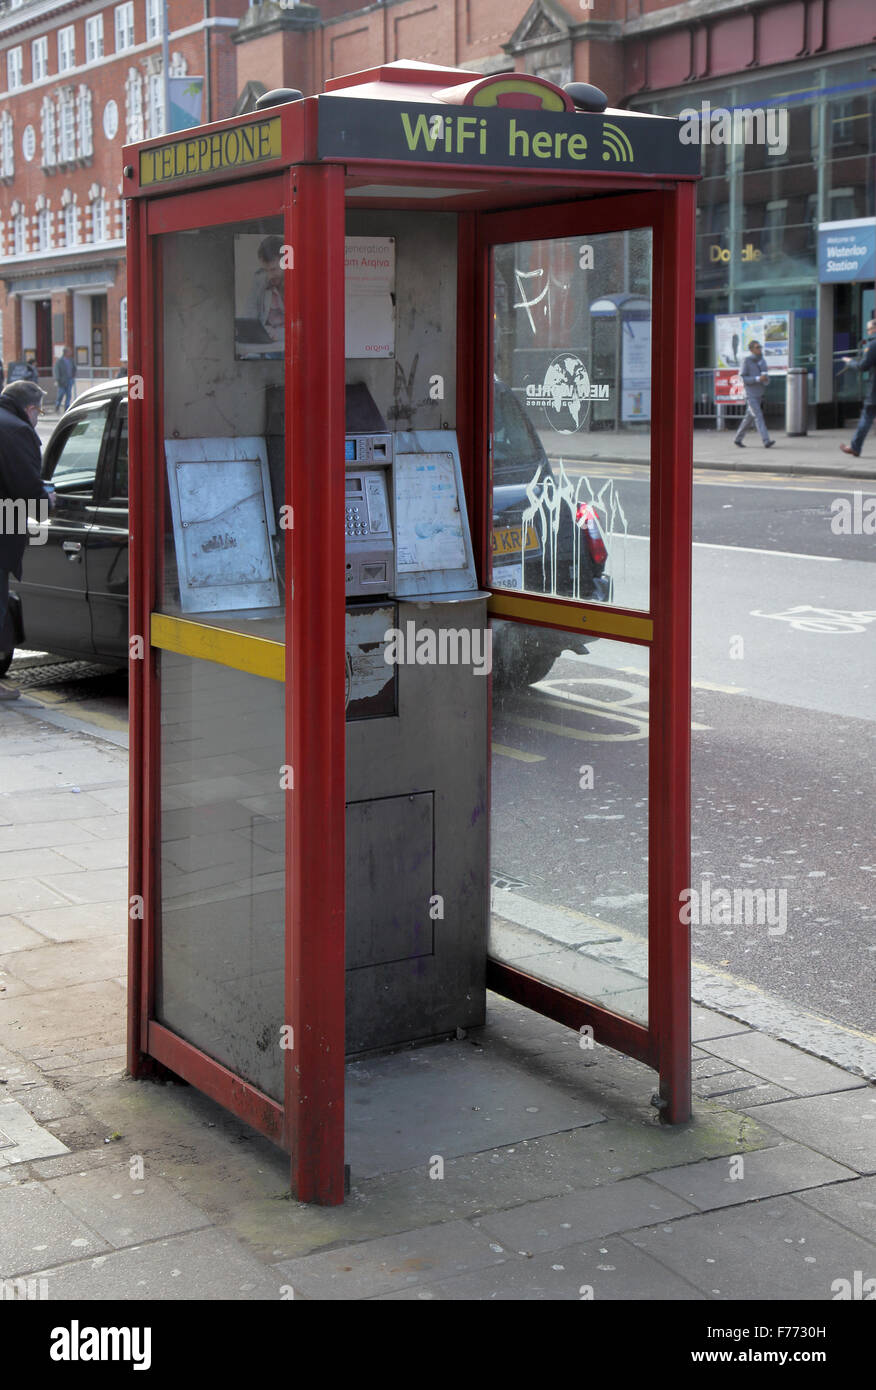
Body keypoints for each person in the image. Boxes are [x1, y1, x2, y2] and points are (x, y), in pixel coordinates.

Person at [0, 380, 54, 701]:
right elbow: (27, 491)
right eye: (39, 411)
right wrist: (48, 501)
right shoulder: (17, 431)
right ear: (31, 409)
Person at [840, 319, 876, 458]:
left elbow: (863, 366)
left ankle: (855, 447)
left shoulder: (873, 345)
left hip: (874, 391)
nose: (868, 332)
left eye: (868, 329)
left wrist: (850, 363)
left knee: (866, 418)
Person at [734, 339, 775, 449]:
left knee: (749, 418)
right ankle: (766, 440)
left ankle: (738, 439)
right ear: (751, 350)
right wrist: (757, 379)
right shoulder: (746, 361)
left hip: (760, 393)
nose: (759, 349)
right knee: (758, 416)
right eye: (757, 347)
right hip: (750, 394)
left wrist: (766, 380)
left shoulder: (762, 360)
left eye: (760, 347)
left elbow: (766, 376)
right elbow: (742, 377)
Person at [243, 235, 285, 343]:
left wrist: (277, 334)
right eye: (265, 270)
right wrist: (256, 332)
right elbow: (249, 313)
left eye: (273, 269)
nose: (269, 276)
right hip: (266, 344)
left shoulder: (301, 282)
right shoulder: (260, 278)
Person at [54, 346, 76, 413]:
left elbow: (74, 368)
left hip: (70, 380)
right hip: (62, 381)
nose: (70, 353)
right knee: (60, 394)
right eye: (69, 352)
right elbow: (57, 371)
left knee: (68, 395)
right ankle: (57, 406)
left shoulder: (71, 360)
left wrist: (73, 375)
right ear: (65, 353)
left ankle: (66, 408)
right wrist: (58, 379)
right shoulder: (59, 361)